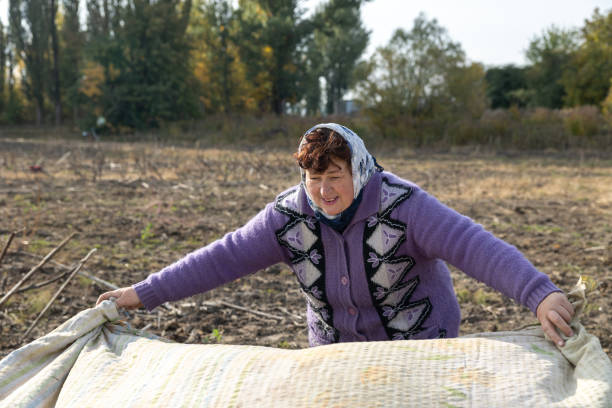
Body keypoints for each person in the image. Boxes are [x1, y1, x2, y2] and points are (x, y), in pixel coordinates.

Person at [97, 123, 575, 347]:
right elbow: (223, 257)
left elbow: (475, 247)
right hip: (335, 353)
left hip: (422, 347)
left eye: (336, 176)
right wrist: (143, 294)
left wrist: (538, 294)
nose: (324, 191)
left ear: (360, 169)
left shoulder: (405, 206)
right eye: (313, 178)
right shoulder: (287, 218)